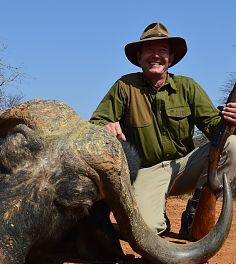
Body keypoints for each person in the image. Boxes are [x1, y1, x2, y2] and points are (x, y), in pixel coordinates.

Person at [90, 22, 236, 237]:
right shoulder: (124, 86)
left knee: (232, 145)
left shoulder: (188, 86)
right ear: (139, 57)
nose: (155, 55)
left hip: (184, 167)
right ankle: (157, 216)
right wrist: (105, 127)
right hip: (147, 172)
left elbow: (215, 130)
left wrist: (231, 121)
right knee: (146, 231)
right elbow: (96, 123)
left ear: (171, 59)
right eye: (149, 50)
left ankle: (194, 214)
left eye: (162, 51)